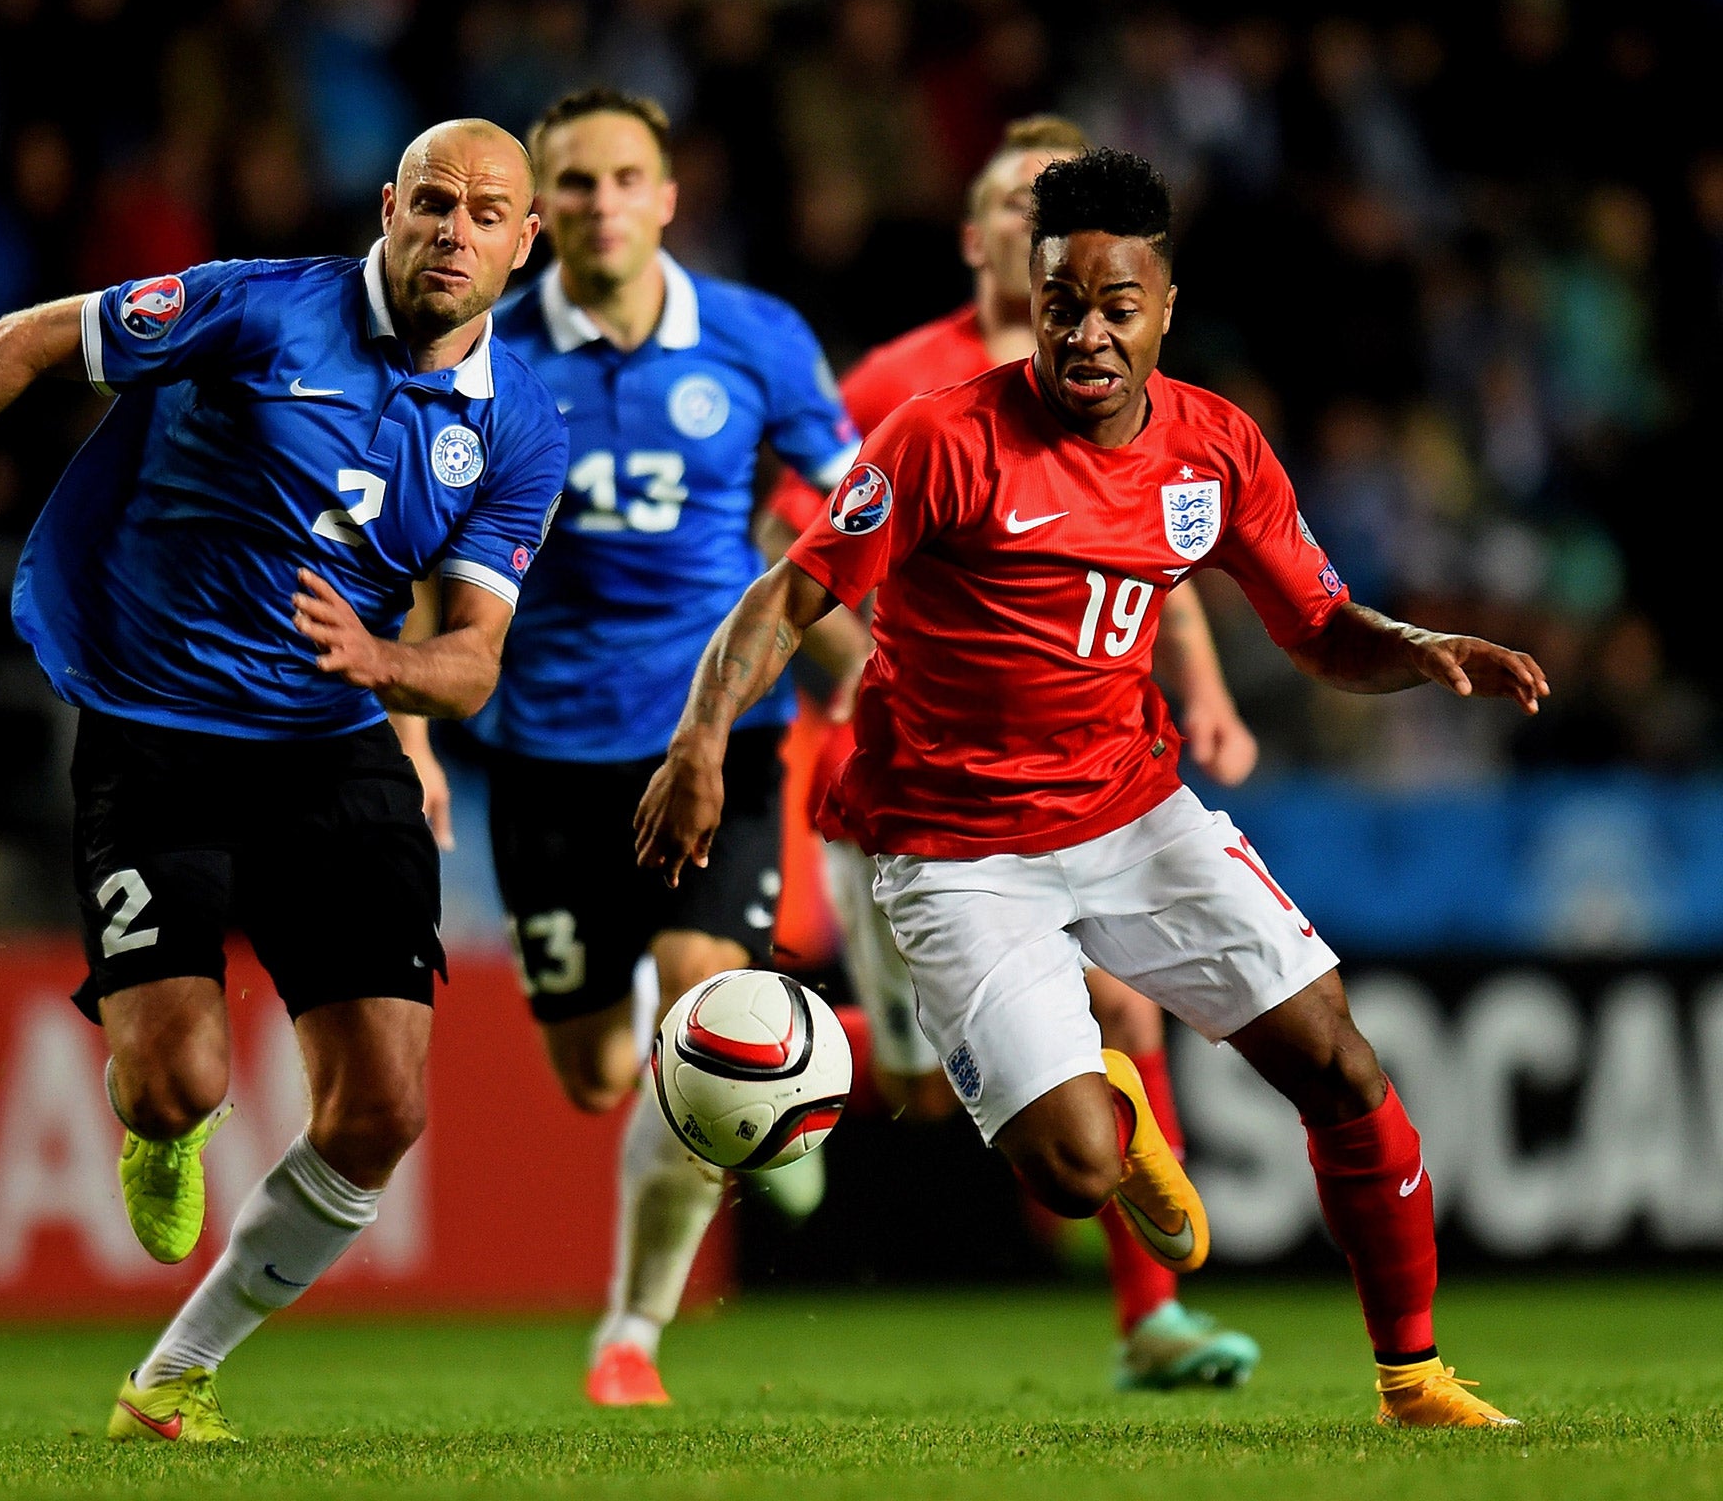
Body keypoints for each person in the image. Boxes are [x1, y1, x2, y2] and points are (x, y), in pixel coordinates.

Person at [637, 149, 1543, 1429]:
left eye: (1118, 307)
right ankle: (1113, 1107)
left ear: (1163, 308)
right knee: (1068, 1174)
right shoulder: (943, 436)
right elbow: (792, 591)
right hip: (953, 850)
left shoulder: (1211, 447)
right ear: (1032, 293)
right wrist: (699, 743)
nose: (1087, 333)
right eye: (1062, 302)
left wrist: (1414, 648)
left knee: (1338, 1065)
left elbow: (1315, 623)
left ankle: (1412, 1378)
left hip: (1133, 811)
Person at [0, 120, 567, 1442]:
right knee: (177, 1080)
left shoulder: (520, 429)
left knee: (384, 1108)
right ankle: (157, 1128)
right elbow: (31, 338)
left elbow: (475, 664)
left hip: (331, 742)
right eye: (432, 202)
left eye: (487, 212)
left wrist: (385, 661)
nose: (454, 230)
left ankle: (177, 1375)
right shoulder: (259, 312)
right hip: (157, 734)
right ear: (387, 208)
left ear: (523, 243)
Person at [762, 115, 1261, 1391]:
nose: (1021, 218)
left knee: (1122, 1000)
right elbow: (791, 555)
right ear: (984, 235)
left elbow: (1168, 549)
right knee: (926, 1090)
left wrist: (1201, 688)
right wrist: (880, 676)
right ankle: (788, 1060)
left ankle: (1147, 1317)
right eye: (1006, 201)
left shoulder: (1124, 389)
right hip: (924, 781)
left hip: (1097, 775)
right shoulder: (898, 392)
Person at [464, 88, 862, 1408]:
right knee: (591, 1077)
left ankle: (629, 1333)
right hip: (548, 755)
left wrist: (873, 652)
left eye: (624, 176)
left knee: (705, 1027)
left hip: (722, 733)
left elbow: (860, 502)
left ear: (667, 196)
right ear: (534, 216)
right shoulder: (486, 349)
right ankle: (783, 1056)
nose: (599, 203)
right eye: (570, 184)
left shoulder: (754, 337)